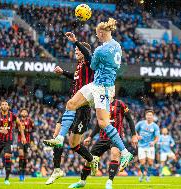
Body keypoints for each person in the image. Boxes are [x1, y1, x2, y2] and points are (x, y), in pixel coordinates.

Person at [43, 17, 134, 171]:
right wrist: (77, 43)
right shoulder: (117, 46)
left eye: (97, 34)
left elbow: (91, 63)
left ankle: (125, 152)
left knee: (103, 123)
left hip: (104, 88)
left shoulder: (100, 50)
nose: (96, 36)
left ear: (101, 33)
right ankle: (59, 138)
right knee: (71, 103)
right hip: (96, 84)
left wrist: (76, 42)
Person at [45, 41, 97, 185]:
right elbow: (75, 79)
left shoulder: (89, 62)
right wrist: (63, 73)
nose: (76, 51)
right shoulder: (79, 65)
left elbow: (88, 53)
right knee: (57, 135)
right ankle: (57, 170)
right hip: (72, 106)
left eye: (78, 49)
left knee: (74, 145)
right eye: (75, 49)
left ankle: (92, 159)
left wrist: (76, 41)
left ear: (84, 51)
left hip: (83, 108)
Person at [69, 99, 138, 189]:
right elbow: (99, 124)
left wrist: (134, 135)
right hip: (103, 137)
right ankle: (82, 181)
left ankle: (109, 182)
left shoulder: (120, 104)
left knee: (115, 154)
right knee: (90, 159)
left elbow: (130, 119)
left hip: (116, 137)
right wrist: (90, 136)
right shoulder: (101, 105)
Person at [0, 100, 26, 185]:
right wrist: (1, 131)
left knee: (7, 156)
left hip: (8, 140)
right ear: (0, 107)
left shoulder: (12, 115)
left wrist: (23, 136)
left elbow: (20, 124)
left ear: (8, 107)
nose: (4, 105)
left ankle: (6, 179)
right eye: (2, 104)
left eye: (5, 104)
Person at [136, 109, 160, 182]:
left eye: (150, 115)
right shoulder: (140, 123)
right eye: (148, 115)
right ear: (145, 116)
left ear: (153, 116)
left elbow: (157, 137)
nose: (149, 116)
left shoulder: (155, 126)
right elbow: (134, 130)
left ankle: (148, 176)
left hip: (150, 147)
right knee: (142, 163)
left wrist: (154, 142)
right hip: (141, 146)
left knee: (150, 163)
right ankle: (143, 174)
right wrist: (137, 136)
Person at [17, 108, 34, 181]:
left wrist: (28, 130)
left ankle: (23, 172)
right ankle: (20, 173)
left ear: (27, 113)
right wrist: (19, 130)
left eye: (25, 112)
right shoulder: (18, 120)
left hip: (27, 141)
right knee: (21, 155)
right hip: (20, 140)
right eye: (23, 111)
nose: (24, 113)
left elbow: (33, 129)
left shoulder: (30, 120)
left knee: (25, 158)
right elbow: (15, 129)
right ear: (20, 113)